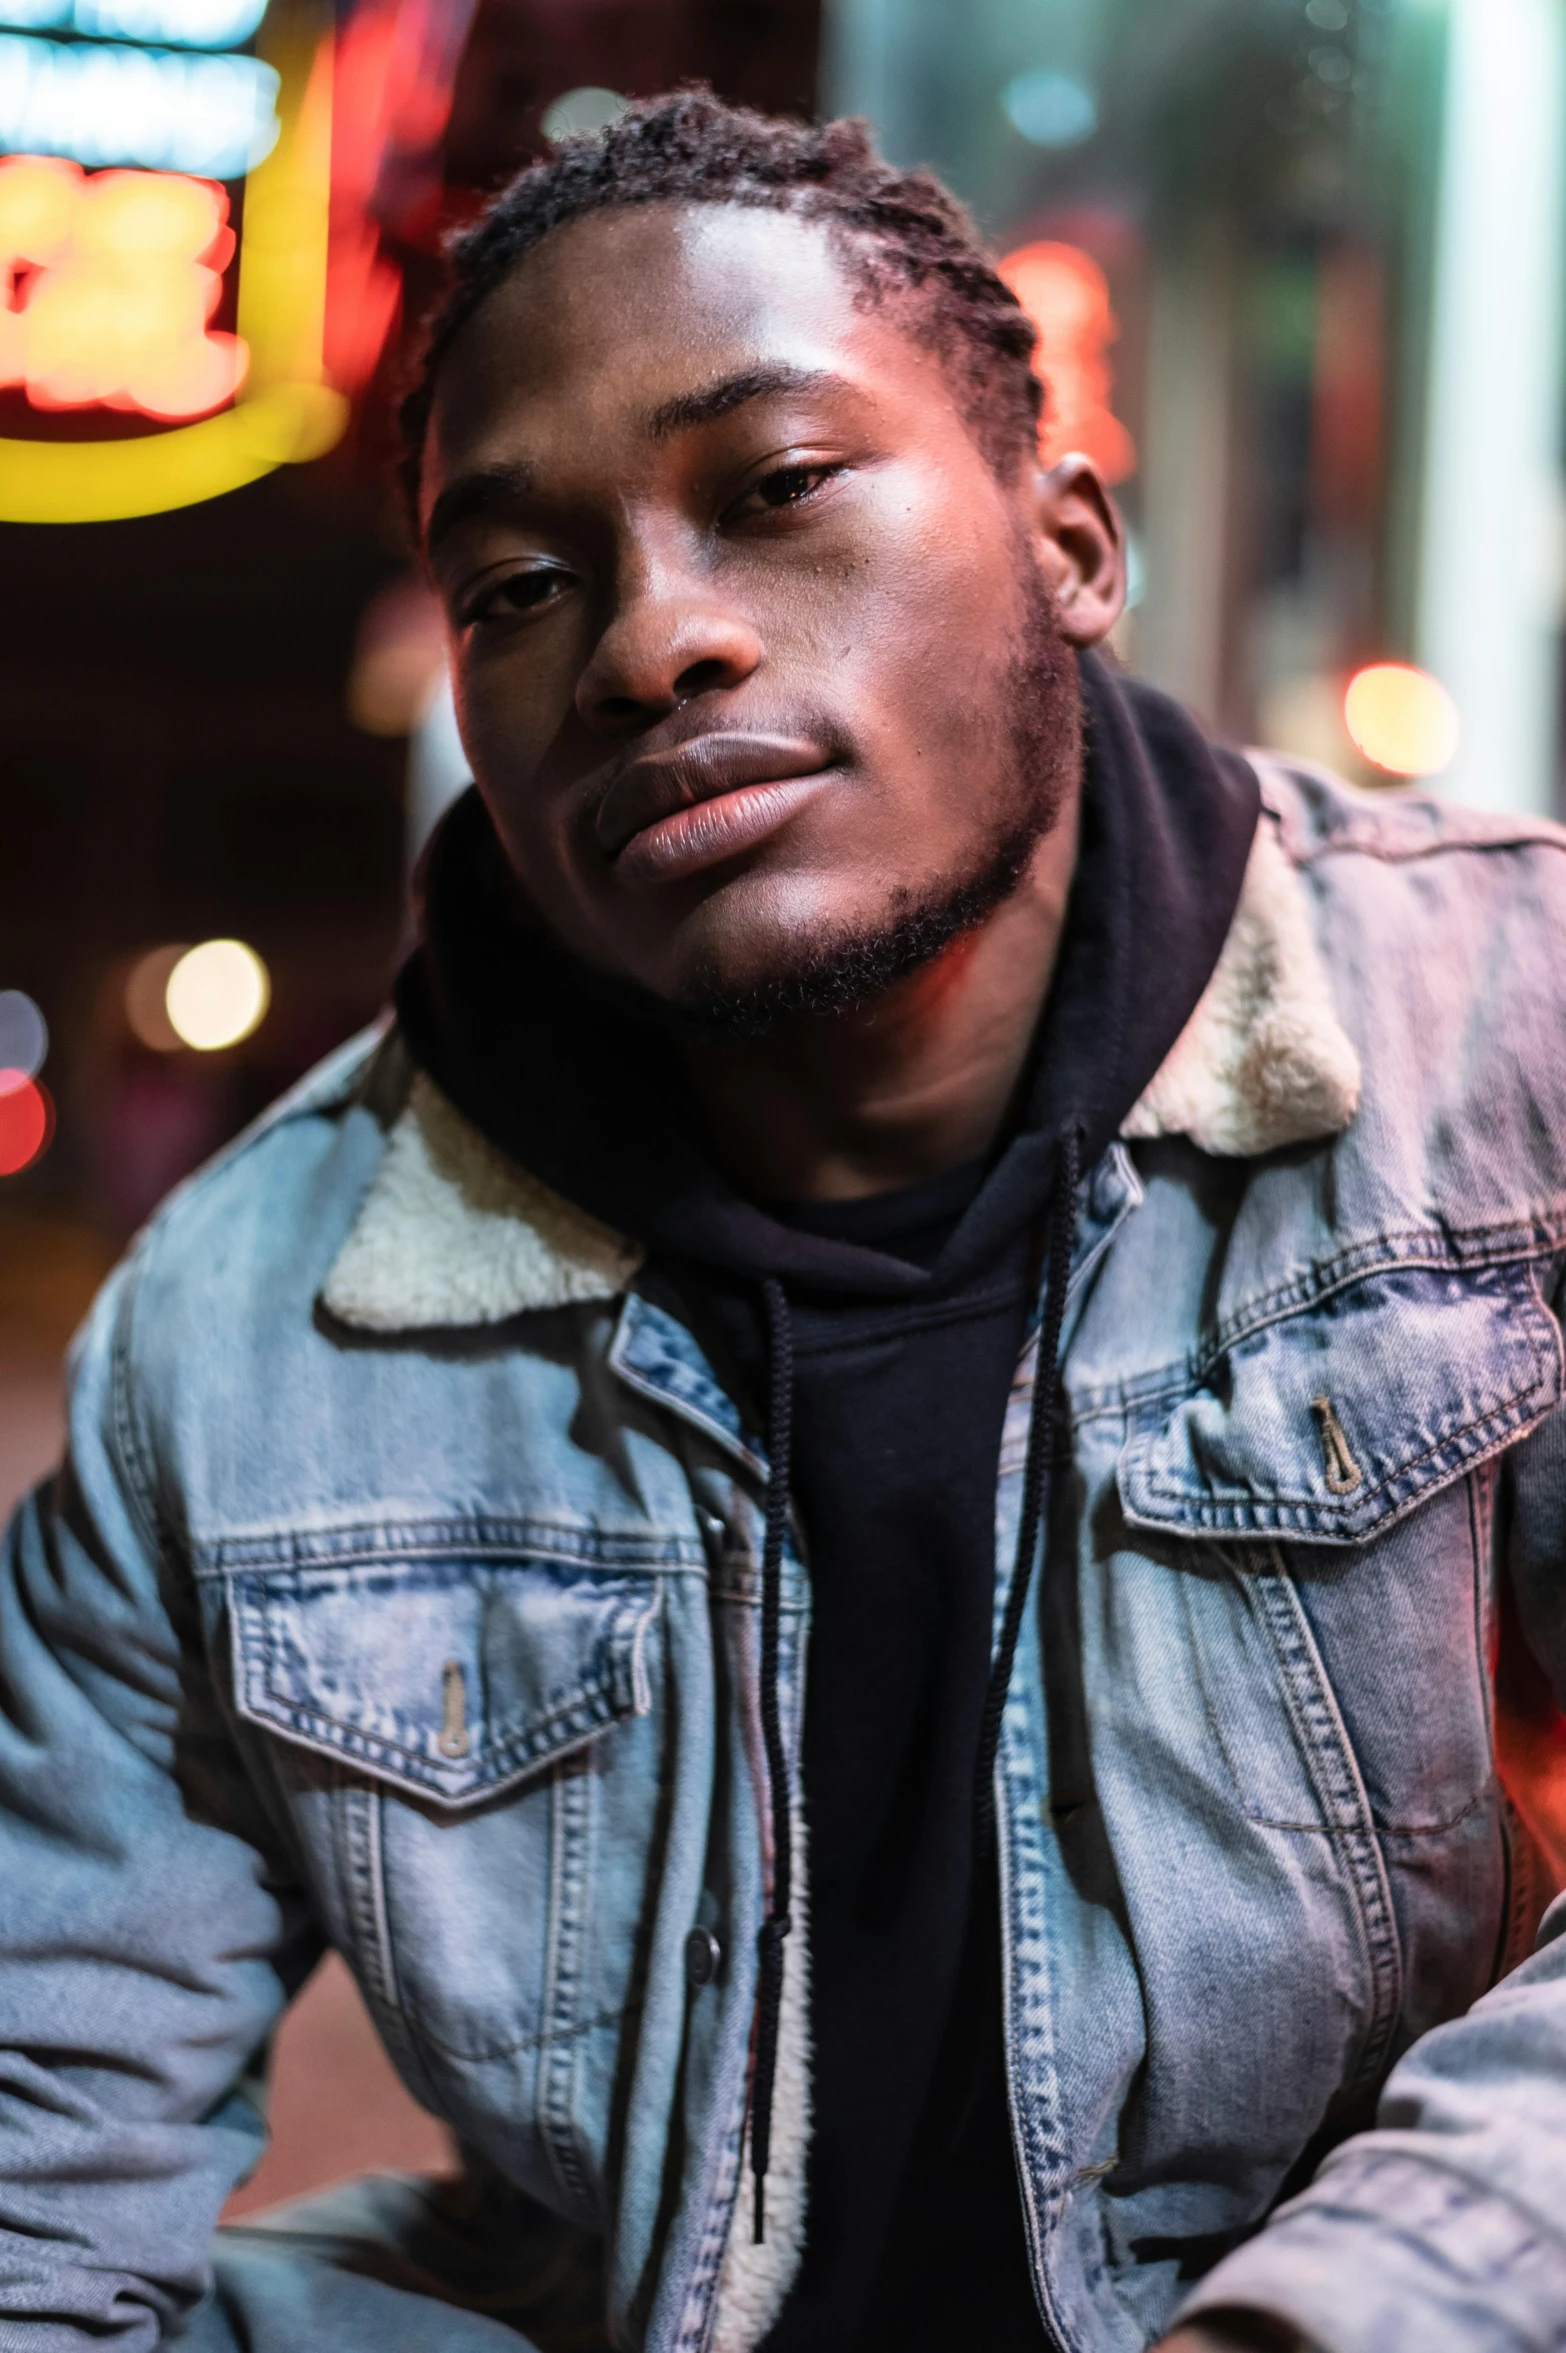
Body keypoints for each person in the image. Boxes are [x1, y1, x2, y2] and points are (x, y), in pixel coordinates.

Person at [2, 89, 1565, 2353]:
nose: (651, 645)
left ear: (1074, 548)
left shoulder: (1502, 1054)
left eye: (775, 491)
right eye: (521, 585)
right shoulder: (245, 1335)